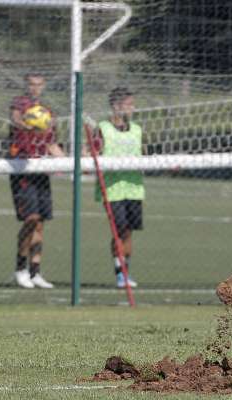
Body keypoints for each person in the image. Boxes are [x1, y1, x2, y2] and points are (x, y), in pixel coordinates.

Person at [9, 72, 64, 289]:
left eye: (39, 84)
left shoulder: (47, 112)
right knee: (30, 219)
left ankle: (35, 272)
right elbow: (15, 119)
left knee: (40, 224)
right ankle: (20, 268)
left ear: (44, 86)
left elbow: (51, 144)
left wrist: (71, 163)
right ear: (26, 85)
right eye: (31, 84)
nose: (35, 88)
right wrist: (26, 124)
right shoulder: (19, 104)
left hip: (42, 170)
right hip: (22, 169)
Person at [92, 87, 144, 289]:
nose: (132, 109)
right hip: (112, 189)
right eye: (128, 105)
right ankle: (119, 273)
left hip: (134, 188)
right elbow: (92, 152)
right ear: (116, 106)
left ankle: (126, 272)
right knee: (118, 230)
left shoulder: (137, 129)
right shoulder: (102, 128)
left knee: (129, 232)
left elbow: (144, 154)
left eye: (133, 104)